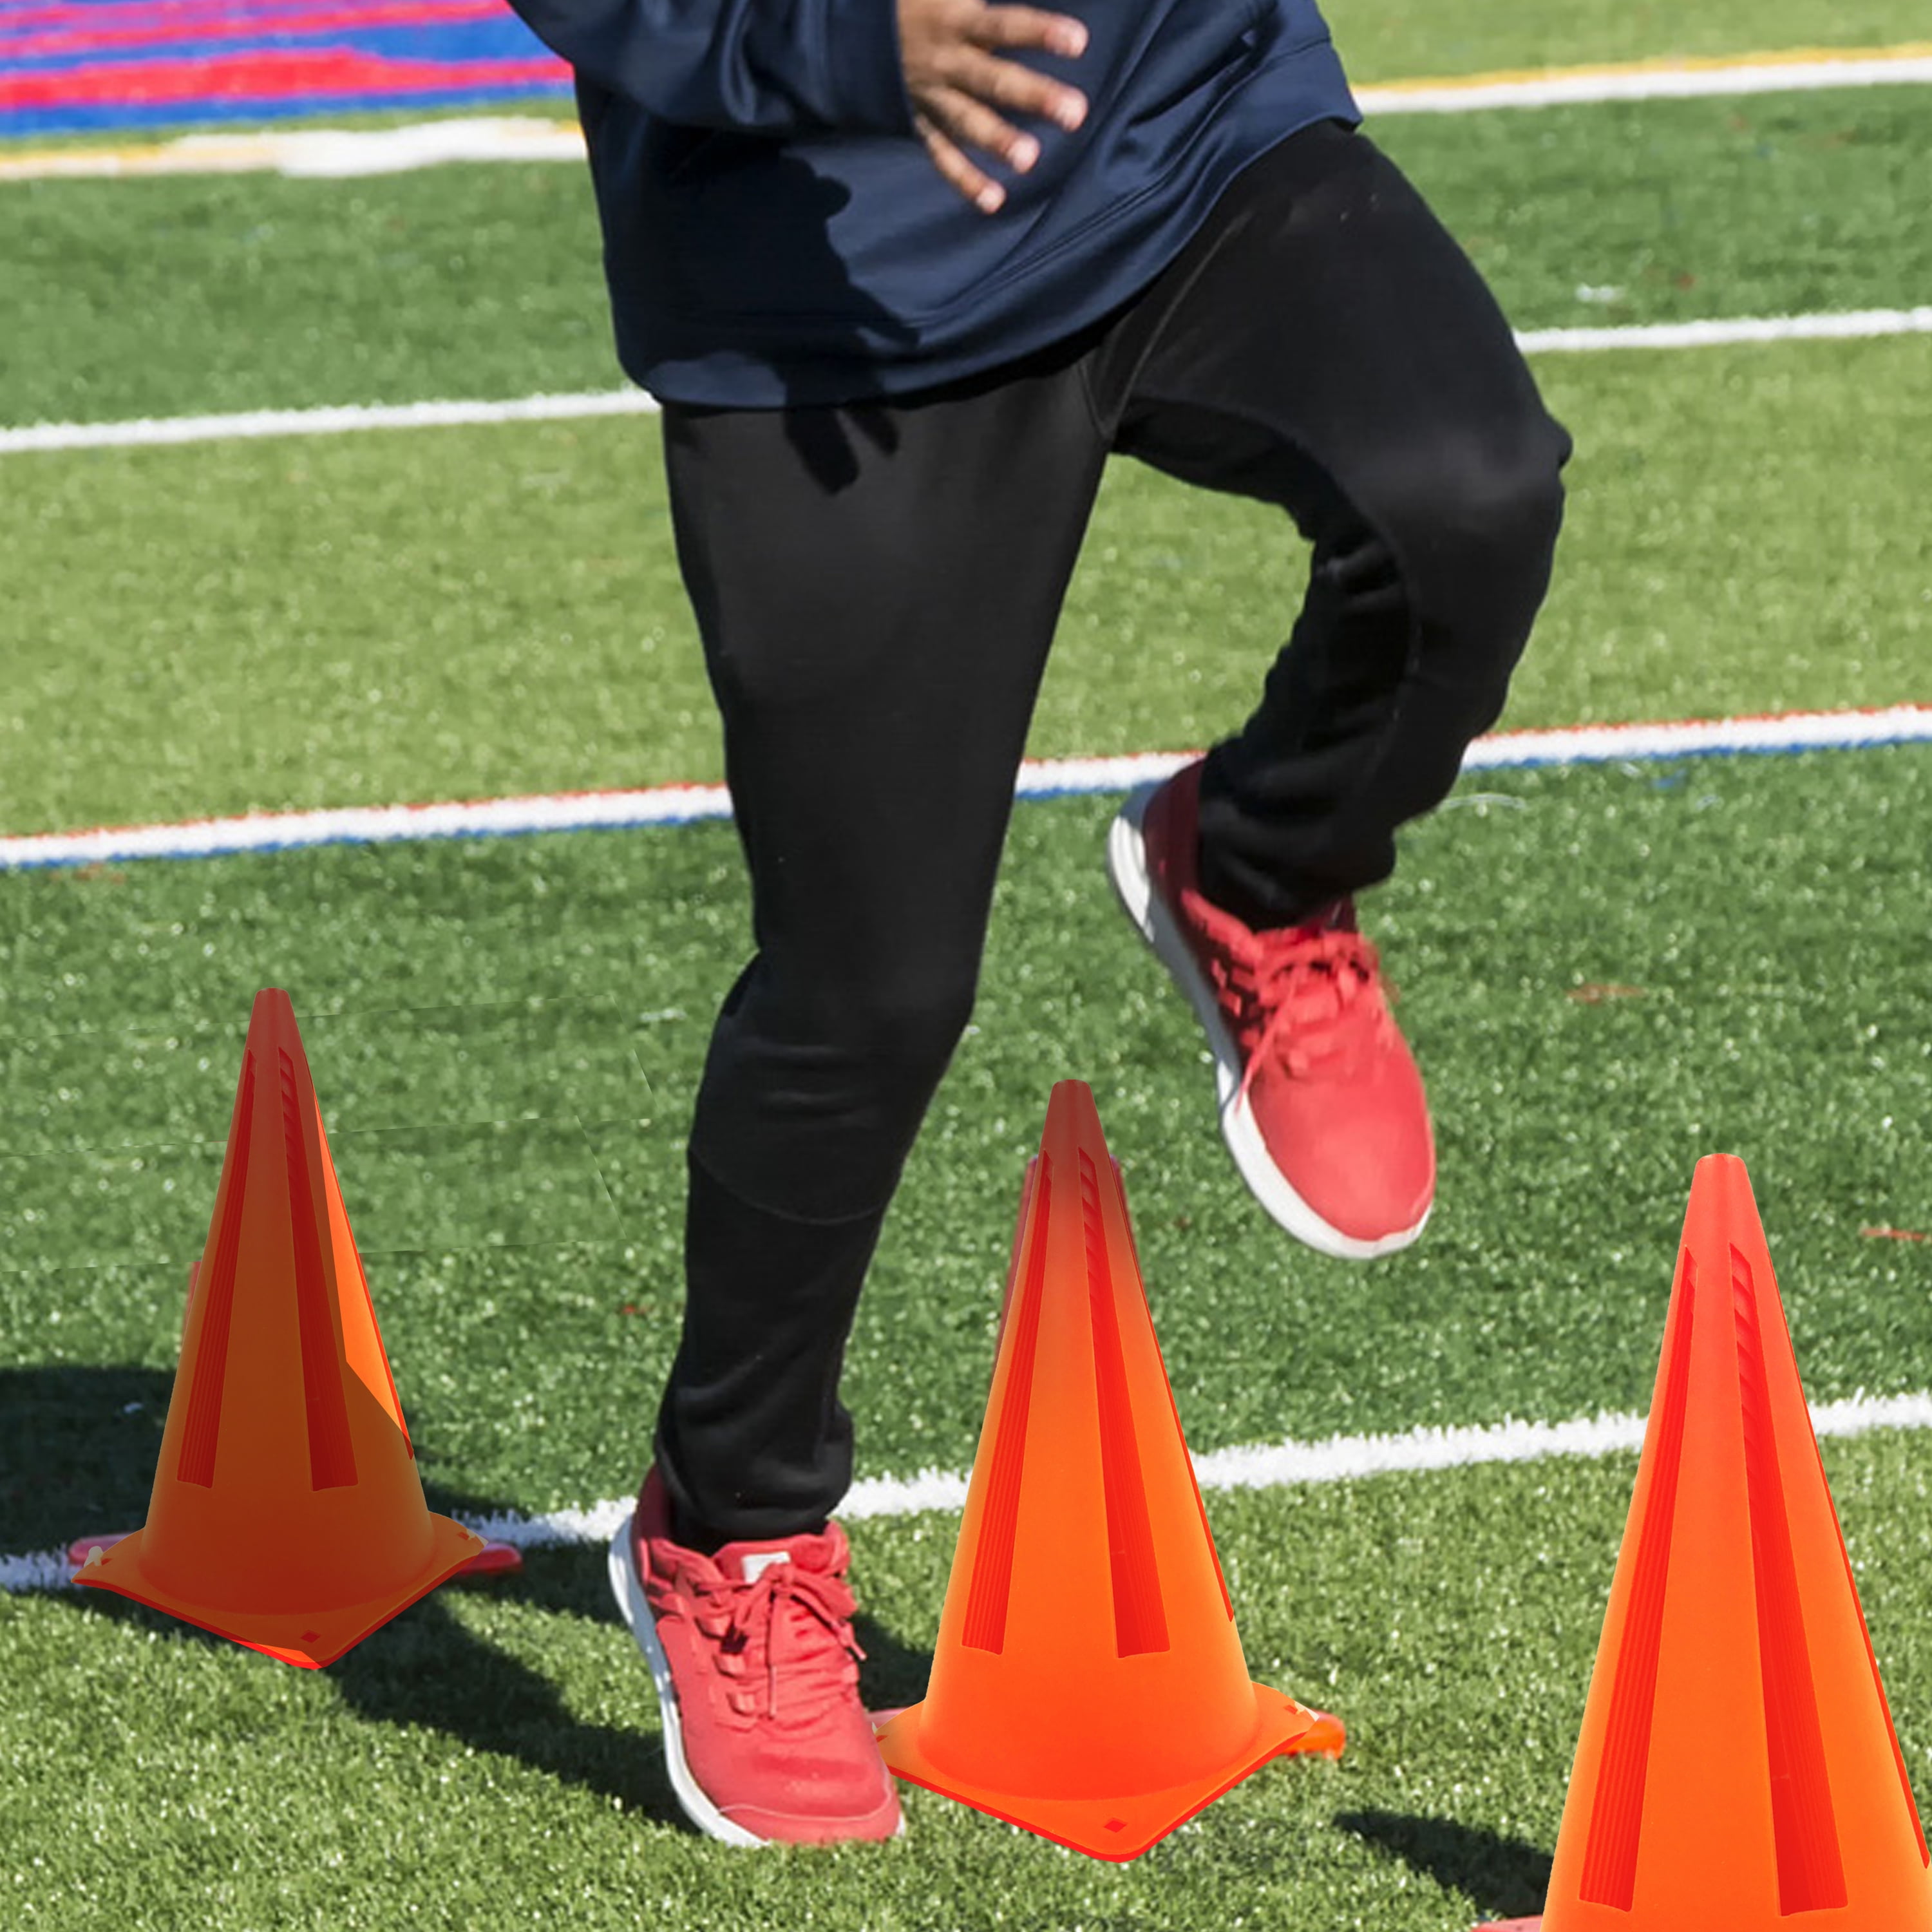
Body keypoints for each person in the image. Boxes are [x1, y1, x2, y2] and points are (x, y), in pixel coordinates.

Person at [508, 0, 1571, 1847]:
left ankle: (1259, 865)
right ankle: (731, 1524)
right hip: (831, 306)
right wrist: (843, 47)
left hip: (1190, 134)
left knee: (1465, 495)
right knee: (874, 986)